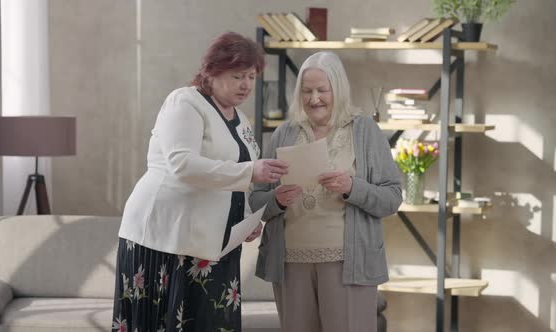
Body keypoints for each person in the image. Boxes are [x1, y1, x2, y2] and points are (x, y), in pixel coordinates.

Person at [111, 32, 289, 332]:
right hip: (165, 237)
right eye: (236, 76)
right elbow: (183, 164)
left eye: (250, 76)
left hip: (214, 243)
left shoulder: (240, 118)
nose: (246, 85)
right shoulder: (185, 102)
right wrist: (250, 173)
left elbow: (234, 173)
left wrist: (246, 217)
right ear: (212, 72)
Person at [249, 51, 402, 332]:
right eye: (307, 91)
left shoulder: (365, 130)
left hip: (348, 265)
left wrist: (352, 187)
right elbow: (257, 199)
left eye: (322, 90)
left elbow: (392, 198)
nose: (314, 98)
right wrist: (276, 201)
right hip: (291, 265)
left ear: (339, 89)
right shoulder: (285, 132)